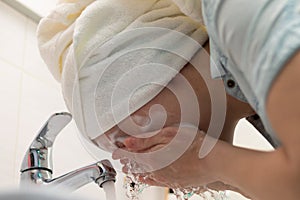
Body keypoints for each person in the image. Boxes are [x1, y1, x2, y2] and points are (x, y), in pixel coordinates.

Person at [112, 0, 300, 200]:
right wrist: (223, 177)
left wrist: (205, 161)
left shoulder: (240, 9)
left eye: (135, 143)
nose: (148, 165)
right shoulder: (256, 95)